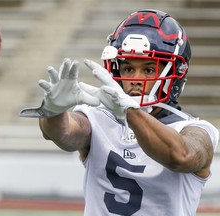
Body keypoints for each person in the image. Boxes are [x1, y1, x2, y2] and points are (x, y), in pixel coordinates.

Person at [20, 9, 219, 216]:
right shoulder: (99, 116)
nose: (135, 78)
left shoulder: (197, 130)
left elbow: (180, 156)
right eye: (128, 69)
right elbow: (64, 135)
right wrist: (54, 111)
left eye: (149, 70)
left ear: (174, 75)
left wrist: (130, 112)